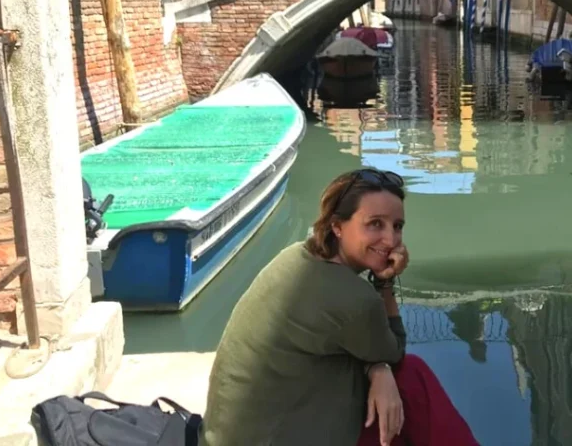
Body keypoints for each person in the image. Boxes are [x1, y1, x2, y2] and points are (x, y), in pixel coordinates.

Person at [200, 169, 479, 446]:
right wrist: (385, 284)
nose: (391, 240)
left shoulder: (296, 256)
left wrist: (376, 367)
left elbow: (363, 342)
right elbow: (395, 351)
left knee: (394, 397)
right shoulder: (356, 299)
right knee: (412, 380)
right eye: (375, 224)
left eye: (397, 226)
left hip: (228, 436)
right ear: (337, 226)